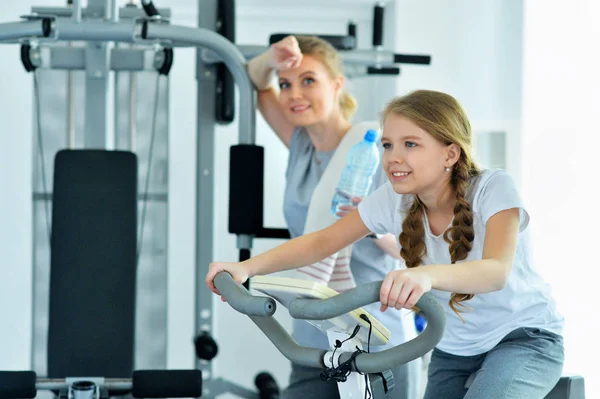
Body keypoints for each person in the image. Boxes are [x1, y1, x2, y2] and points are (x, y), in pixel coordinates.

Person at [207, 89, 566, 399]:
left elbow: (495, 272)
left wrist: (425, 277)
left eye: (411, 144)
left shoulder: (492, 187)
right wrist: (245, 268)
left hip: (523, 338)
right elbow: (322, 241)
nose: (393, 156)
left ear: (450, 154)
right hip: (454, 349)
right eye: (388, 144)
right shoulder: (392, 200)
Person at [244, 35, 419, 398]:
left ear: (337, 85)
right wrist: (272, 58)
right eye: (286, 83)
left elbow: (411, 246)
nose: (294, 94)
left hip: (376, 334)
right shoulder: (300, 144)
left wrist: (364, 225)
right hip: (313, 338)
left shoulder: (378, 149)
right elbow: (256, 79)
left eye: (309, 80)